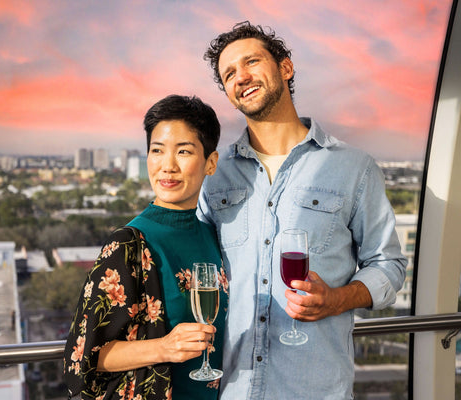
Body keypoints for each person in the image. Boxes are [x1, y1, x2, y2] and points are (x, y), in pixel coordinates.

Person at [197, 21, 407, 399]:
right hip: (230, 389)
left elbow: (389, 265)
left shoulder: (354, 167)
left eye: (252, 62)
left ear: (285, 68)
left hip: (314, 389)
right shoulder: (214, 175)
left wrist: (339, 299)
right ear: (228, 93)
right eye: (229, 74)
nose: (241, 76)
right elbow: (192, 267)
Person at [63, 94, 228, 400]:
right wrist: (164, 347)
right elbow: (82, 358)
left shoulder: (214, 237)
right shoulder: (128, 244)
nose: (167, 166)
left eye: (183, 152)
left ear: (211, 163)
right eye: (157, 151)